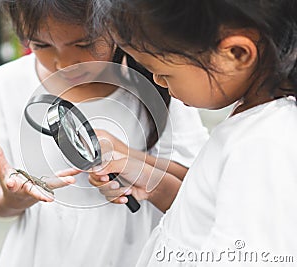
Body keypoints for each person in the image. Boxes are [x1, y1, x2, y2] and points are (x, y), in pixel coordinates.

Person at [0, 0, 209, 266]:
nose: (64, 63)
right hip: (46, 255)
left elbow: (196, 179)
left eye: (84, 44)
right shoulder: (6, 86)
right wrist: (14, 198)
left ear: (117, 28)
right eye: (41, 45)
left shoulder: (161, 80)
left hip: (138, 255)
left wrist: (130, 158)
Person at [89, 0, 297, 265]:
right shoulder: (252, 122)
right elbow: (199, 220)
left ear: (236, 54)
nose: (158, 82)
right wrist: (149, 178)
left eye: (163, 72)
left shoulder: (264, 145)